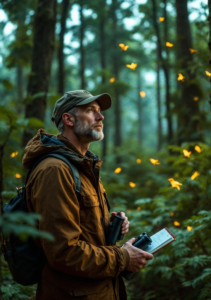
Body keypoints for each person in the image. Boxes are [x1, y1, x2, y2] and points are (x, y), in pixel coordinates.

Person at [23, 90, 153, 300]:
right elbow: (63, 252)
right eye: (91, 111)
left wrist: (110, 226)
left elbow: (81, 229)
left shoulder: (82, 165)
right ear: (68, 119)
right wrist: (123, 258)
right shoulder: (55, 170)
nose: (100, 117)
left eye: (99, 111)